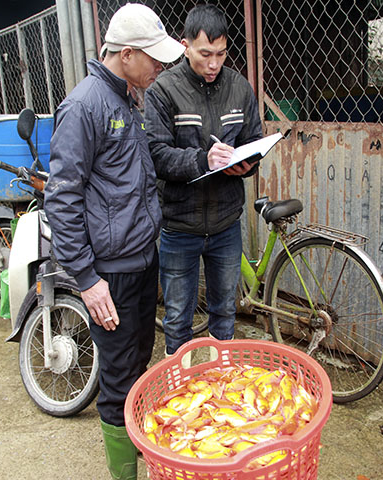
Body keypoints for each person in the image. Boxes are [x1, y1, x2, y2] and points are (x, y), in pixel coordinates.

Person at [43, 4, 184, 480]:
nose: (160, 68)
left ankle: (137, 443)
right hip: (110, 274)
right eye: (154, 59)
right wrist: (87, 280)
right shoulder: (84, 107)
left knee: (139, 360)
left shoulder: (129, 98)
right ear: (126, 54)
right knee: (119, 376)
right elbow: (61, 201)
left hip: (142, 262)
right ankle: (124, 472)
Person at [145, 4, 263, 360]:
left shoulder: (240, 87)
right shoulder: (163, 90)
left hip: (226, 222)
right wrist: (202, 160)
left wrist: (248, 164)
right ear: (185, 46)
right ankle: (180, 390)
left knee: (225, 313)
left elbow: (254, 138)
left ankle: (219, 381)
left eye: (222, 54)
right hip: (180, 225)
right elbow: (155, 154)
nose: (214, 64)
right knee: (178, 316)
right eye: (205, 54)